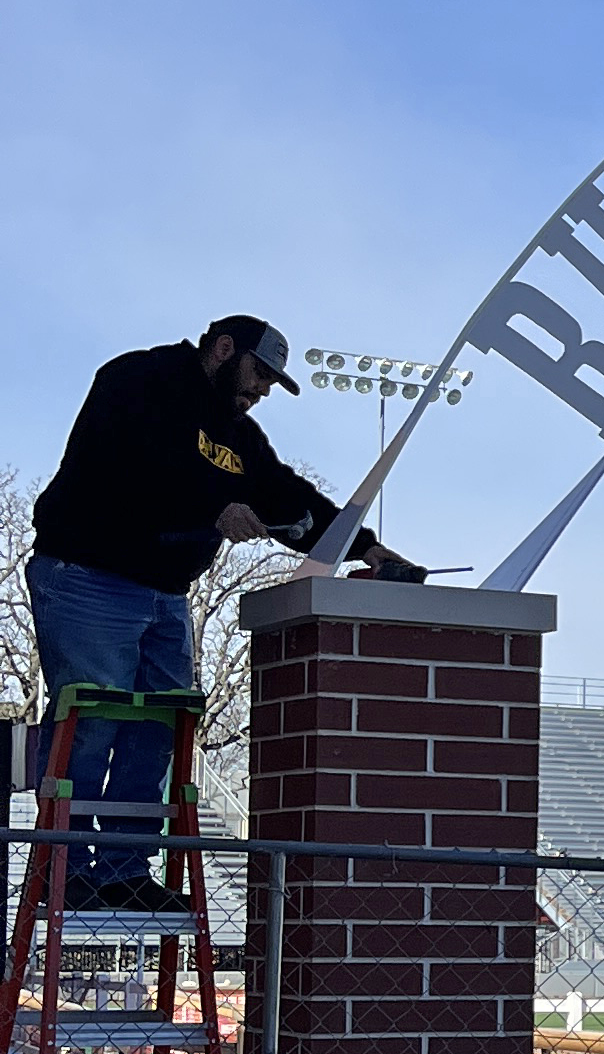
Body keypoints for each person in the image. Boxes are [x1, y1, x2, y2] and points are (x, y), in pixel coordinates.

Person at [27, 316, 424, 905]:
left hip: (163, 595)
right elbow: (126, 466)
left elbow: (289, 496)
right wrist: (214, 506)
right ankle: (69, 874)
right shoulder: (140, 378)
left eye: (271, 382)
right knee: (94, 724)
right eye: (259, 373)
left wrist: (363, 546)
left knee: (157, 733)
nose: (262, 390)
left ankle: (122, 872)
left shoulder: (239, 437)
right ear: (222, 349)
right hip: (89, 577)